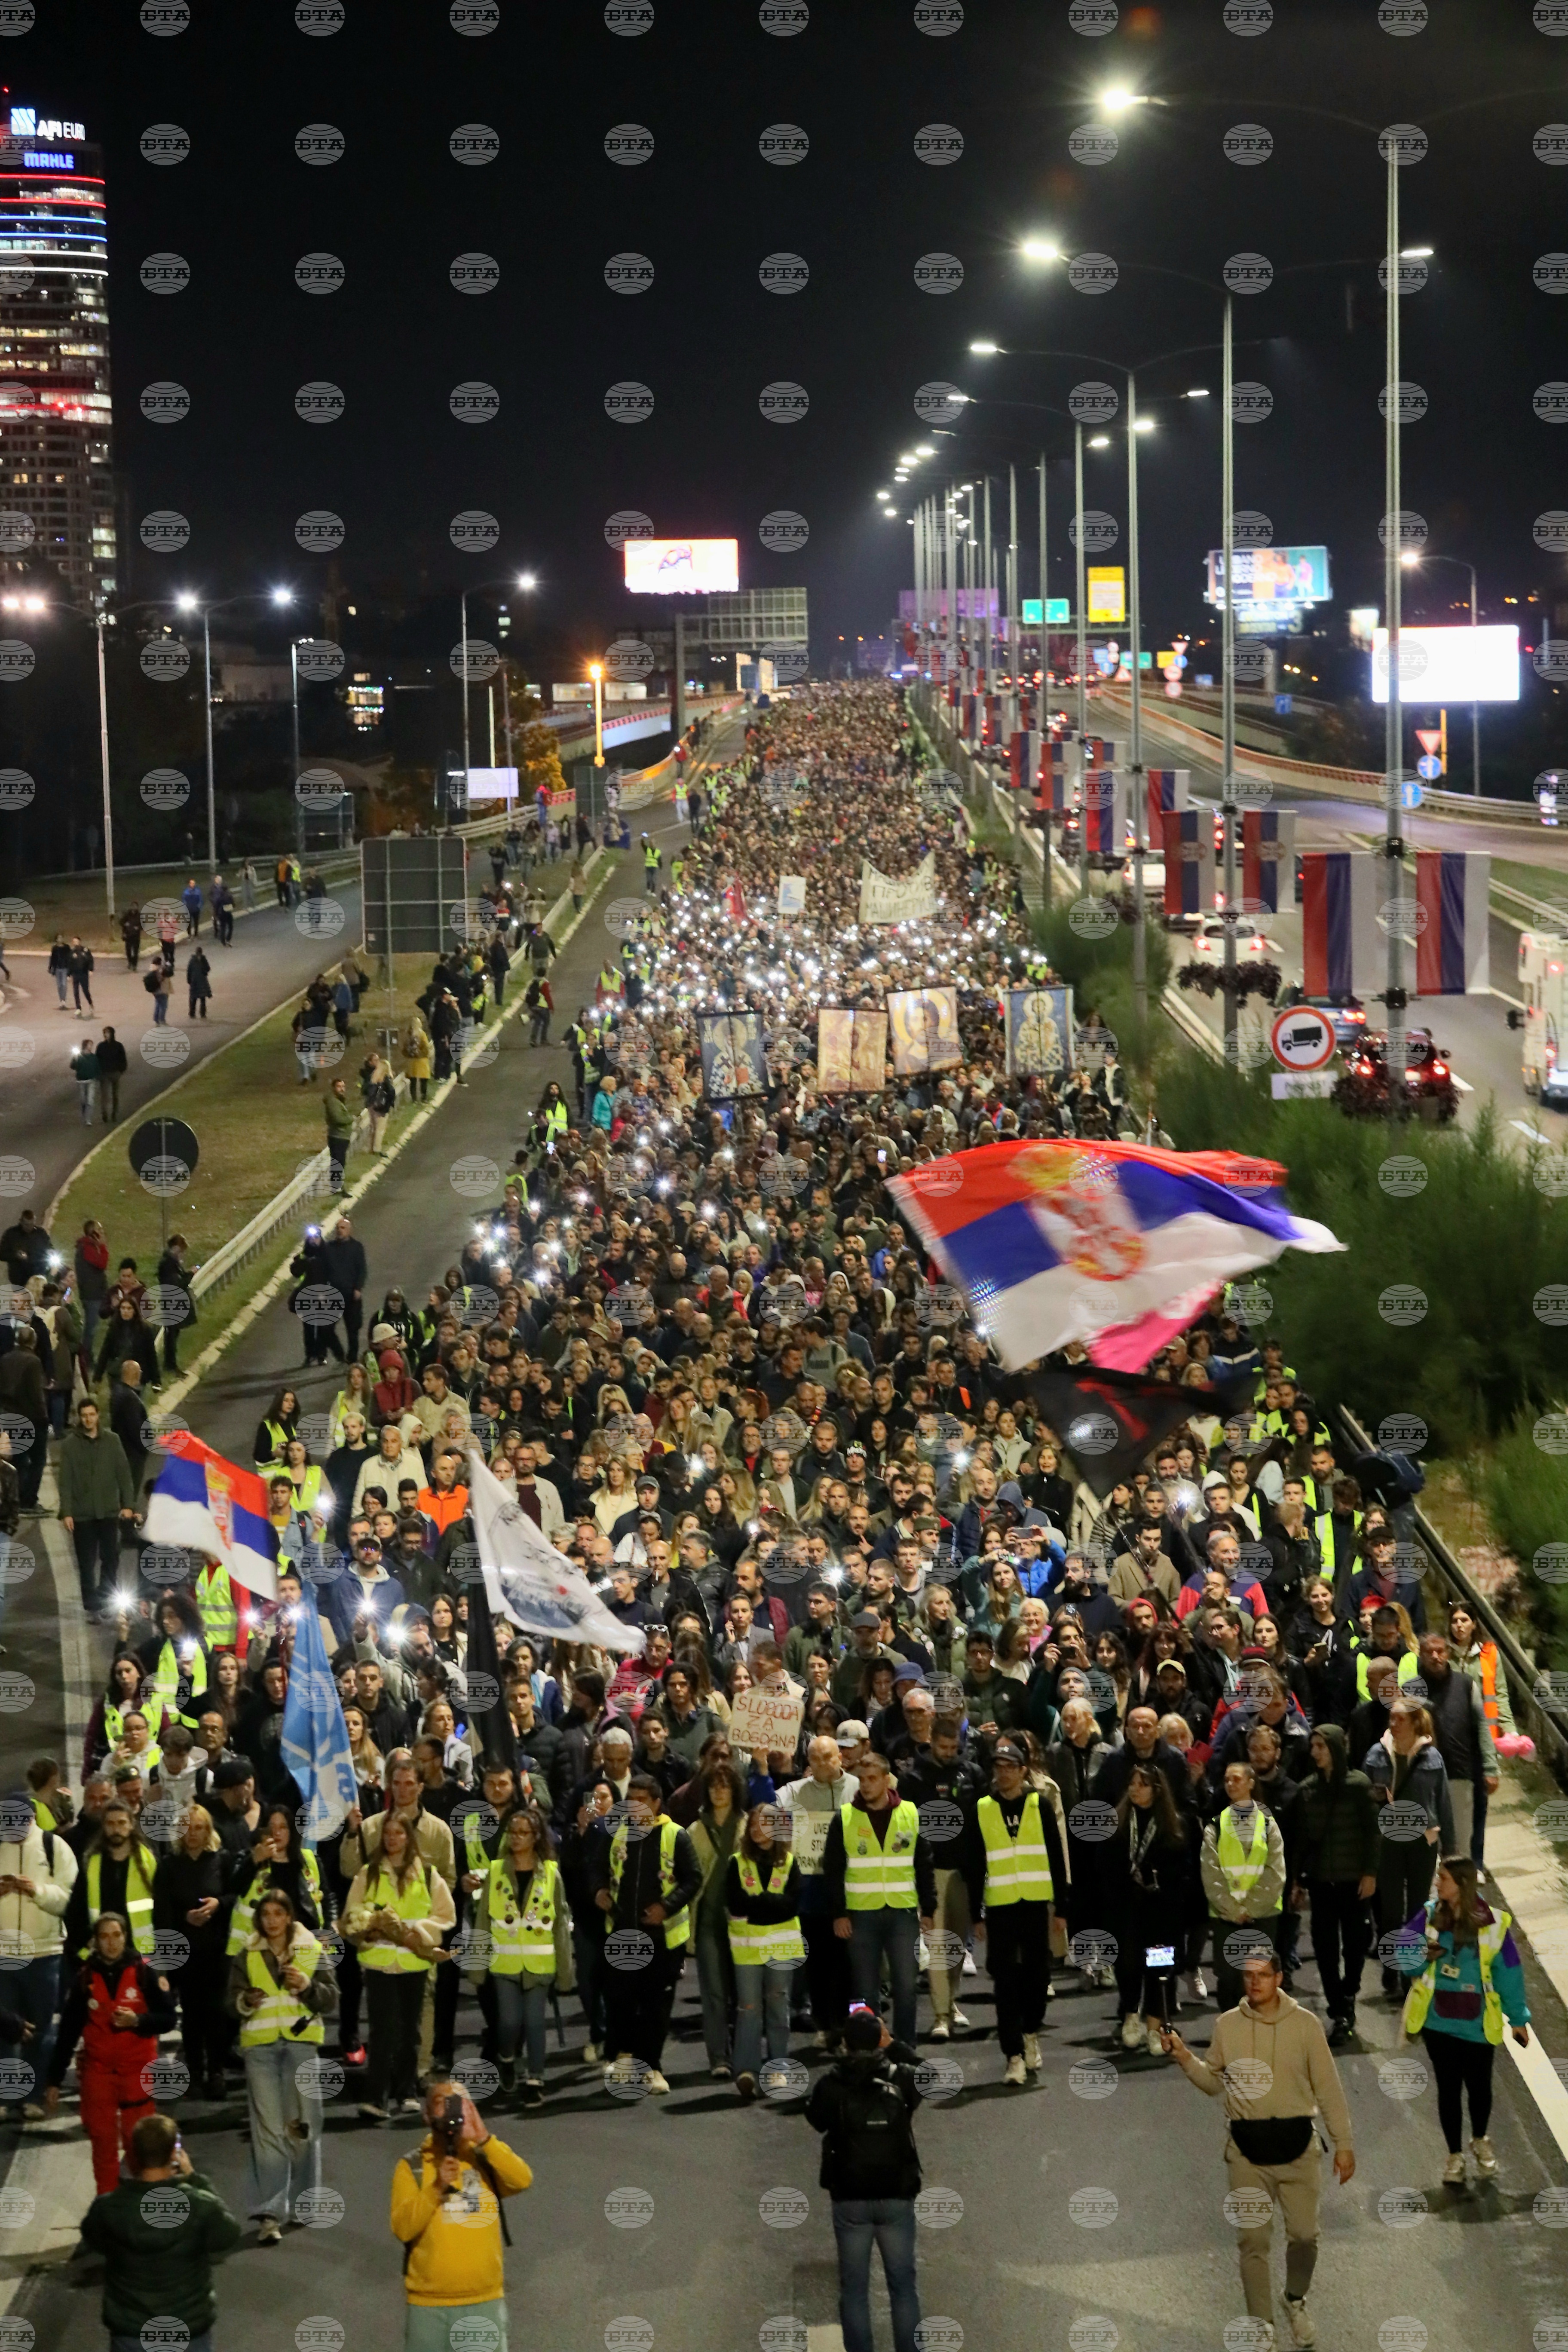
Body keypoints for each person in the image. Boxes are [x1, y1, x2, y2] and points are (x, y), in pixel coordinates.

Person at [1163, 1947, 1355, 2349]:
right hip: (1246, 2151)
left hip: (1299, 2148)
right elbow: (1215, 2083)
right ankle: (1262, 2324)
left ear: (1279, 1979)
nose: (1255, 1982)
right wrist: (1184, 2057)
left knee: (1304, 2236)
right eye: (1249, 1976)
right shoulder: (1227, 2026)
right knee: (1253, 2242)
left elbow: (1329, 2087)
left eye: (1263, 1975)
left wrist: (1344, 2144)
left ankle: (1295, 2300)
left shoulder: (1305, 2026)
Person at [1396, 1853, 1530, 2184]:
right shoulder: (1428, 1917)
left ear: (1463, 1884)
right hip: (1438, 2023)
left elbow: (1509, 1972)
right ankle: (1454, 2155)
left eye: (1443, 1878)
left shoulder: (1494, 1923)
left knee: (1480, 2088)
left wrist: (1518, 2018)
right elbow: (1403, 1960)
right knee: (1448, 2089)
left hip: (1478, 2023)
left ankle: (1480, 2139)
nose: (1437, 1883)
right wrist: (1421, 1954)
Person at [805, 2008, 924, 2352]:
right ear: (880, 2040)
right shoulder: (902, 2077)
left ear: (845, 2044)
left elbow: (815, 2119)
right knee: (903, 2286)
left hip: (851, 2198)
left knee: (854, 2290)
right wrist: (897, 2045)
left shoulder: (831, 2085)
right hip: (897, 2195)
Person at [226, 1886, 338, 2243]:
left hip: (301, 2047)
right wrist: (245, 2000)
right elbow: (230, 2003)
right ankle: (271, 2214)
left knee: (303, 2127)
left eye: (278, 1914)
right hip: (260, 2049)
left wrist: (307, 1986)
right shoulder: (246, 1955)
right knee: (268, 2130)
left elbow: (331, 1999)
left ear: (290, 1917)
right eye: (266, 1915)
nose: (271, 1921)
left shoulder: (313, 1951)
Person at [80, 2108, 242, 2352]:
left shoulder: (108, 2209)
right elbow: (228, 2236)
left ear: (135, 2155)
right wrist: (195, 2179)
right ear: (174, 2155)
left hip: (131, 2333)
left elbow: (95, 2239)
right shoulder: (200, 2205)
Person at [390, 2076, 532, 2352]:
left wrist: (483, 2139)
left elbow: (522, 2180)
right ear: (427, 2116)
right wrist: (436, 2188)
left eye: (461, 2104)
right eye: (444, 2104)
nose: (453, 2112)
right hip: (428, 2306)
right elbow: (403, 2228)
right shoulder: (413, 2167)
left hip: (484, 2300)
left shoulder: (485, 2159)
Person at [45, 1910, 177, 2192]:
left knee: (141, 2146)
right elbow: (68, 2032)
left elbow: (169, 2018)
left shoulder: (143, 1972)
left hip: (137, 2071)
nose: (111, 1942)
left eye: (116, 1935)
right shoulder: (84, 1979)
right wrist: (54, 2080)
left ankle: (147, 2206)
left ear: (125, 1937)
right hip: (99, 2073)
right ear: (96, 1941)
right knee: (102, 2144)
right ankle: (108, 2209)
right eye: (104, 1936)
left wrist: (138, 2021)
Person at [589, 1771, 701, 2094]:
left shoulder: (676, 1836)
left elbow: (693, 1878)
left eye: (642, 1801)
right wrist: (598, 1891)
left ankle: (653, 2067)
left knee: (656, 2005)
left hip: (662, 1937)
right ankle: (625, 2058)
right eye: (631, 1801)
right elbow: (596, 1868)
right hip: (622, 1932)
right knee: (621, 2001)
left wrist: (667, 1906)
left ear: (656, 1803)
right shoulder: (616, 1833)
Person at [962, 1736, 1064, 2084]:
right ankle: (1014, 2055)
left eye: (1010, 1768)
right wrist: (976, 1914)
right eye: (998, 1767)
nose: (1003, 1774)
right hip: (1001, 1906)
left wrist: (1063, 1907)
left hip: (1035, 1905)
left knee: (1038, 1980)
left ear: (1023, 1771)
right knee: (1004, 1984)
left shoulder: (1040, 1805)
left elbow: (1055, 1856)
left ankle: (1031, 2031)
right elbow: (975, 1865)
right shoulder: (982, 1808)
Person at [820, 1747, 937, 2049]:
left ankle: (905, 2048)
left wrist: (930, 1907)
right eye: (862, 1779)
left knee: (906, 1988)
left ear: (887, 1780)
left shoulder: (910, 1813)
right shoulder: (845, 1818)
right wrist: (839, 1913)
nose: (867, 1785)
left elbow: (923, 1863)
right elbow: (832, 1871)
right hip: (861, 1915)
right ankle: (866, 2048)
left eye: (873, 1779)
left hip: (902, 1912)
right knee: (862, 1992)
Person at [344, 1809, 455, 2122]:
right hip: (379, 1961)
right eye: (388, 1833)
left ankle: (406, 2092)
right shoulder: (369, 1874)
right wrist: (370, 1926)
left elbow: (446, 1915)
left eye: (399, 1833)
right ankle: (376, 2096)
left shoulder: (428, 1875)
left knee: (410, 2032)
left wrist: (417, 1932)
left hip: (413, 1961)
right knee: (381, 2032)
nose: (393, 1839)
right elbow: (351, 1914)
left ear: (409, 1837)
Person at [479, 1804, 571, 2108]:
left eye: (523, 1833)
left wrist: (565, 1970)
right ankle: (507, 2058)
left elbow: (560, 1925)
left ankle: (536, 2079)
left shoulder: (551, 1875)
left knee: (534, 2022)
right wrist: (476, 1966)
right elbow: (482, 1920)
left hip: (539, 1963)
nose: (517, 1838)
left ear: (535, 1837)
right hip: (504, 1962)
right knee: (508, 2021)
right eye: (513, 1833)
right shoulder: (496, 1872)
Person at [1297, 1724, 1379, 2045]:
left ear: (1336, 1748)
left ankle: (1350, 1989)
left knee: (1357, 1941)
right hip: (1322, 1883)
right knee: (1325, 1947)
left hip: (1353, 1881)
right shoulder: (1307, 1790)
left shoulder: (1358, 1785)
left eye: (1322, 1746)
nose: (1316, 1751)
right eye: (1313, 1746)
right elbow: (1302, 1841)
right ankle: (1339, 2009)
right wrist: (1297, 1881)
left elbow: (1374, 1833)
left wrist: (1370, 1873)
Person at [724, 1800, 803, 2100]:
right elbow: (736, 1904)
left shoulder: (791, 1863)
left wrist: (758, 1905)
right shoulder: (737, 1862)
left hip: (782, 1948)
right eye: (754, 1824)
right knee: (748, 2010)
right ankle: (746, 2071)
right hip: (747, 1951)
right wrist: (772, 1904)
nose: (759, 1830)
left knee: (779, 2007)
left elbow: (792, 1906)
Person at [1201, 1759, 1287, 2011]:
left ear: (1251, 1783)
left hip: (1262, 1914)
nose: (1230, 1784)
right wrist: (1234, 1909)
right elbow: (1211, 1873)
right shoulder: (1216, 1827)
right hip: (1226, 1916)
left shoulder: (1269, 1825)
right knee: (1229, 1981)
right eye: (1227, 1780)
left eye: (1236, 1779)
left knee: (1259, 1981)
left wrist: (1250, 1908)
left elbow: (1275, 1872)